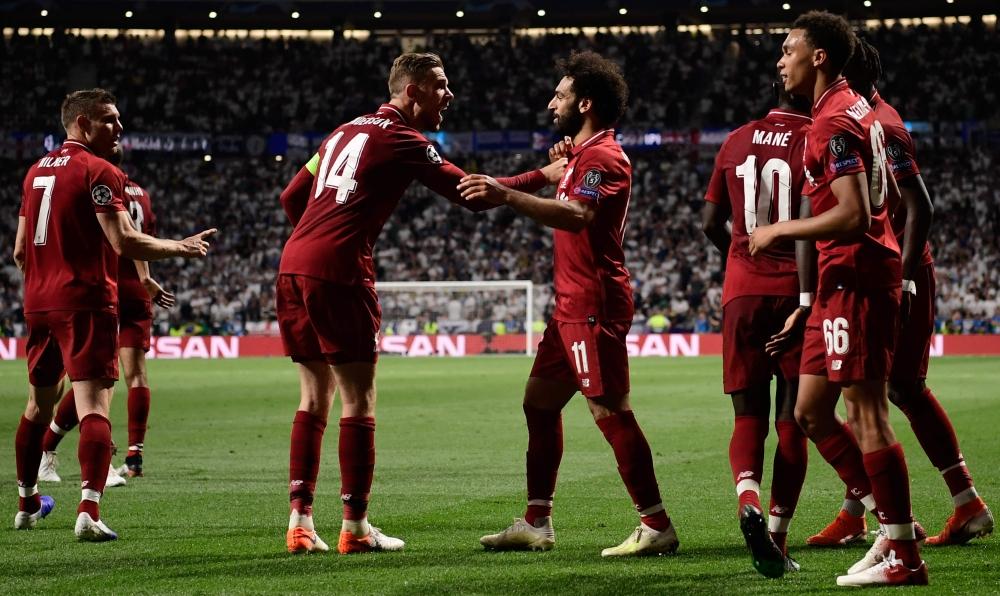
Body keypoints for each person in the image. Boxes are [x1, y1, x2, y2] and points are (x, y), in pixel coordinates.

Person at [276, 52, 565, 555]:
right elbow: (472, 193)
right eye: (441, 85)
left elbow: (290, 198)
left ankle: (300, 522)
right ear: (411, 91)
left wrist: (320, 233)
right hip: (339, 270)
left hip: (292, 266)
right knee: (358, 401)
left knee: (312, 397)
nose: (449, 95)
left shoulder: (341, 133)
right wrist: (543, 174)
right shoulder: (402, 137)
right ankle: (356, 528)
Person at [464, 51, 679, 557]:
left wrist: (508, 196)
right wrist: (508, 187)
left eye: (559, 95)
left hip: (593, 303)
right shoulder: (581, 155)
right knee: (538, 403)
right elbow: (534, 184)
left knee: (610, 410)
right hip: (568, 306)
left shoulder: (603, 157)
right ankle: (537, 521)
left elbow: (578, 216)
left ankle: (656, 524)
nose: (550, 103)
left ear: (584, 103)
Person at [753, 12, 926, 586]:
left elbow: (853, 215)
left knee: (868, 413)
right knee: (809, 411)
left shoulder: (829, 123)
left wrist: (777, 231)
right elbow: (882, 200)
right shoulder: (854, 107)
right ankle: (889, 527)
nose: (780, 60)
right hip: (839, 281)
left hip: (854, 276)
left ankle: (903, 552)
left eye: (788, 49)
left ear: (819, 55)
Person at [811, 36, 993, 551]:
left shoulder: (879, 124)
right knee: (869, 392)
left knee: (891, 390)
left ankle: (959, 504)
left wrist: (907, 276)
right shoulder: (869, 118)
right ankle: (870, 507)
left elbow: (921, 206)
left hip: (890, 271)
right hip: (879, 269)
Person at [13, 88, 215, 541]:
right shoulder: (101, 170)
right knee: (95, 405)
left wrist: (44, 281)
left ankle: (26, 503)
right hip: (85, 301)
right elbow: (123, 242)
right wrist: (180, 248)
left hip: (39, 303)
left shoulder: (34, 172)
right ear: (82, 123)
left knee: (36, 406)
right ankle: (88, 509)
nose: (119, 128)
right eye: (109, 120)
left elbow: (19, 250)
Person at [702, 84, 812, 577]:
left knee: (747, 415)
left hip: (741, 291)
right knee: (794, 417)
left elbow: (710, 222)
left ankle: (746, 495)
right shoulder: (815, 137)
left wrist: (740, 257)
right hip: (796, 290)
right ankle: (777, 532)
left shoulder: (734, 140)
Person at [37, 149, 174, 484]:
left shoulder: (94, 186)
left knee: (95, 381)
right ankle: (133, 455)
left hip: (105, 288)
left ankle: (49, 452)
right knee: (134, 377)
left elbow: (118, 239)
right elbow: (138, 240)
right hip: (135, 291)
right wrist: (144, 279)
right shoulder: (142, 194)